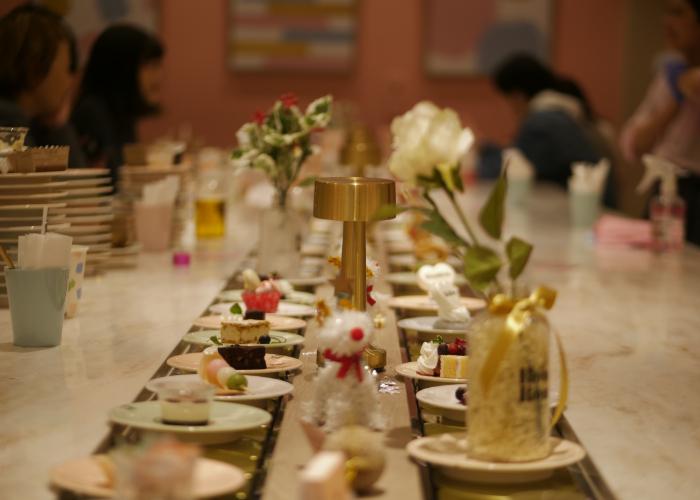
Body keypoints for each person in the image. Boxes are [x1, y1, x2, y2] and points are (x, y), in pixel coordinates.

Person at [480, 54, 617, 207]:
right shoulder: (562, 111)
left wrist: (483, 150)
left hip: (588, 211)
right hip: (595, 205)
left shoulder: (543, 122)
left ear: (517, 95)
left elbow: (507, 172)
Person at [621, 0, 700, 245]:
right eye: (666, 12)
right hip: (666, 193)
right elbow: (632, 145)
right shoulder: (669, 75)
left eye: (678, 13)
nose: (667, 23)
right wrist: (675, 101)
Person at [72, 24, 164, 186]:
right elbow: (114, 183)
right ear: (122, 69)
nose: (158, 77)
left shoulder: (120, 114)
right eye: (149, 66)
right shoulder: (93, 113)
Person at [0, 4, 85, 166]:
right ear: (35, 66)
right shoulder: (8, 127)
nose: (70, 80)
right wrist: (59, 127)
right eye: (68, 68)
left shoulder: (34, 124)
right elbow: (71, 185)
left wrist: (56, 125)